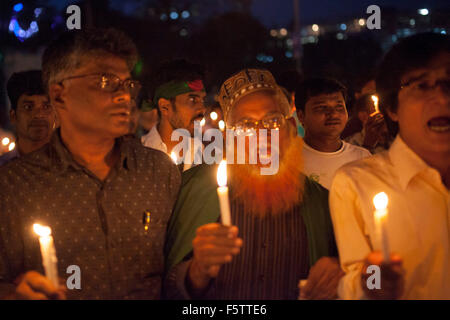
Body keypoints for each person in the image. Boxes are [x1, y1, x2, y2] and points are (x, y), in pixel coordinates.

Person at [0, 28, 181, 300]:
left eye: (128, 84)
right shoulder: (13, 186)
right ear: (59, 95)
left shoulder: (158, 172)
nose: (124, 96)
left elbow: (175, 275)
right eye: (106, 81)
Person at [164, 69, 342, 300]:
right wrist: (197, 271)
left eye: (272, 121)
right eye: (246, 126)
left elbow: (357, 277)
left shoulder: (321, 201)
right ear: (229, 137)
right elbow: (165, 287)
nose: (262, 134)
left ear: (289, 127)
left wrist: (340, 271)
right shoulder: (193, 189)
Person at [329, 33, 450, 299]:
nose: (442, 98)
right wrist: (373, 285)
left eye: (448, 84)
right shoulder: (357, 184)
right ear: (392, 108)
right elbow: (352, 283)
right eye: (421, 86)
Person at [296, 78, 371, 189]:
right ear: (301, 115)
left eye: (339, 107)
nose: (334, 114)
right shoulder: (288, 159)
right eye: (321, 108)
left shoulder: (361, 157)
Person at [140, 59, 206, 171]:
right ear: (164, 106)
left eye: (203, 100)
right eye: (192, 99)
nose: (202, 109)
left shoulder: (203, 155)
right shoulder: (139, 155)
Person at [0, 70, 56, 166]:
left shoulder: (70, 168)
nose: (39, 115)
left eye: (46, 107)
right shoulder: (3, 169)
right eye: (28, 107)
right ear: (13, 116)